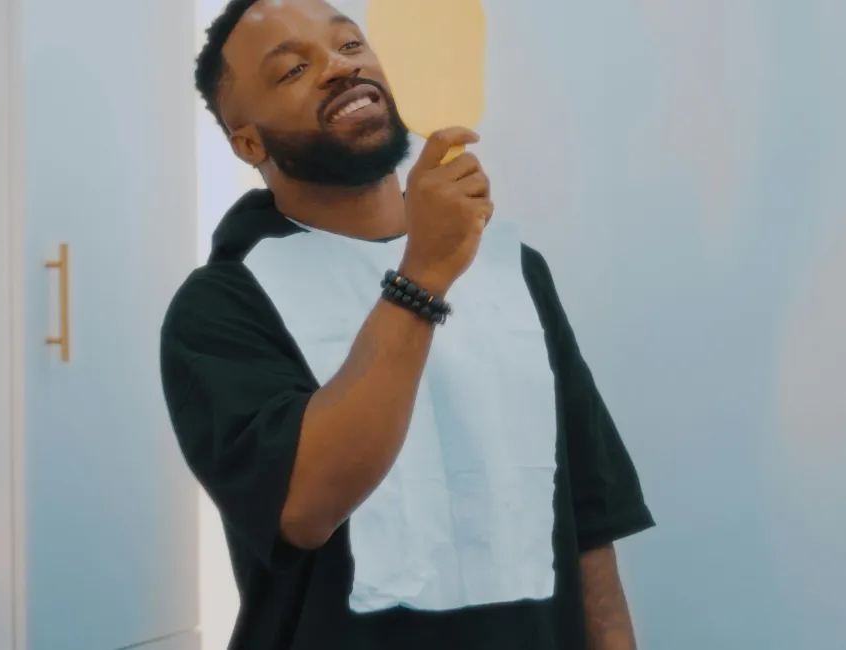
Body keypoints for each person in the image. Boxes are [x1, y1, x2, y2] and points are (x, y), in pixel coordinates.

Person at [160, 1, 655, 648]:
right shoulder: (224, 304)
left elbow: (591, 519)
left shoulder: (513, 270)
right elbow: (306, 505)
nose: (340, 68)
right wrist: (423, 274)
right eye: (292, 71)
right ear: (248, 142)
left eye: (349, 45)